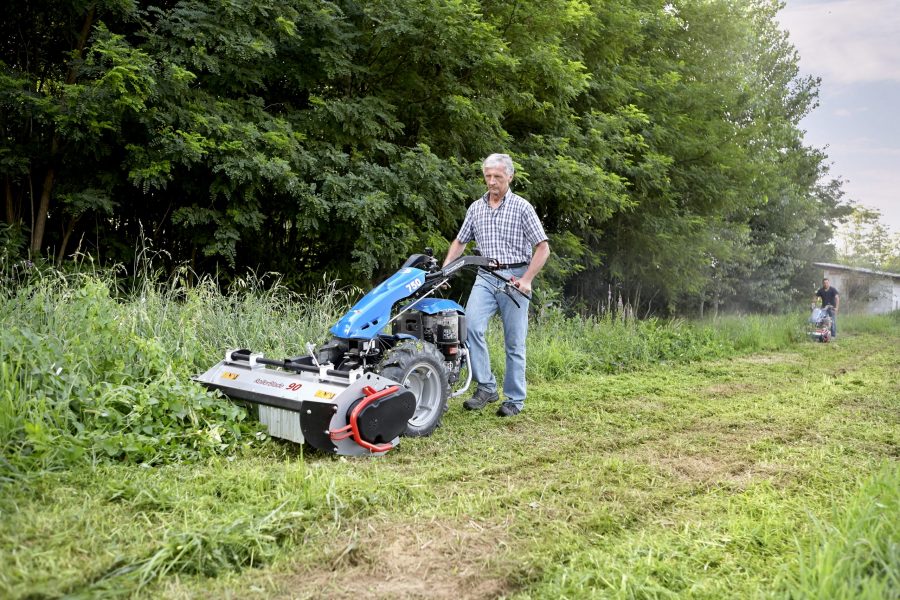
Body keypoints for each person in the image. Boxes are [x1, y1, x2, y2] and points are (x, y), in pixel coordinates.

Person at [443, 154, 550, 417]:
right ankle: (487, 387)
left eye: (497, 177)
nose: (492, 181)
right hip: (486, 275)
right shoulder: (475, 208)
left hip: (515, 278)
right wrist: (445, 270)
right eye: (488, 176)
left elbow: (543, 248)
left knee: (514, 342)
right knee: (470, 328)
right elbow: (460, 241)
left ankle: (514, 399)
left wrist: (527, 280)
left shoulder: (522, 207)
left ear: (510, 177)